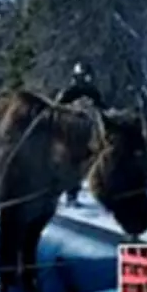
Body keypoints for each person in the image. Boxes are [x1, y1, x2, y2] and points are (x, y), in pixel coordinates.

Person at [54, 62, 106, 206]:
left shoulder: (93, 92)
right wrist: (75, 107)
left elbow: (102, 108)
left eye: (88, 76)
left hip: (87, 133)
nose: (86, 79)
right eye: (83, 76)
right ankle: (60, 193)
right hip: (69, 134)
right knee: (67, 164)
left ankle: (75, 193)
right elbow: (56, 109)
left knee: (81, 164)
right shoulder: (69, 92)